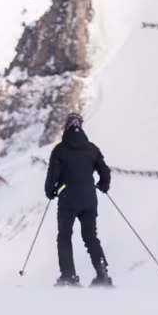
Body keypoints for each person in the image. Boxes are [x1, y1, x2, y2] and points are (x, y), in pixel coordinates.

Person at [44, 111, 113, 287]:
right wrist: (103, 184)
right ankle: (102, 274)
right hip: (89, 198)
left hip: (68, 198)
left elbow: (52, 174)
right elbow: (104, 171)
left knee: (65, 236)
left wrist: (50, 191)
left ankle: (68, 276)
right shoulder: (92, 148)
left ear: (66, 127)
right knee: (91, 237)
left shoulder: (59, 149)